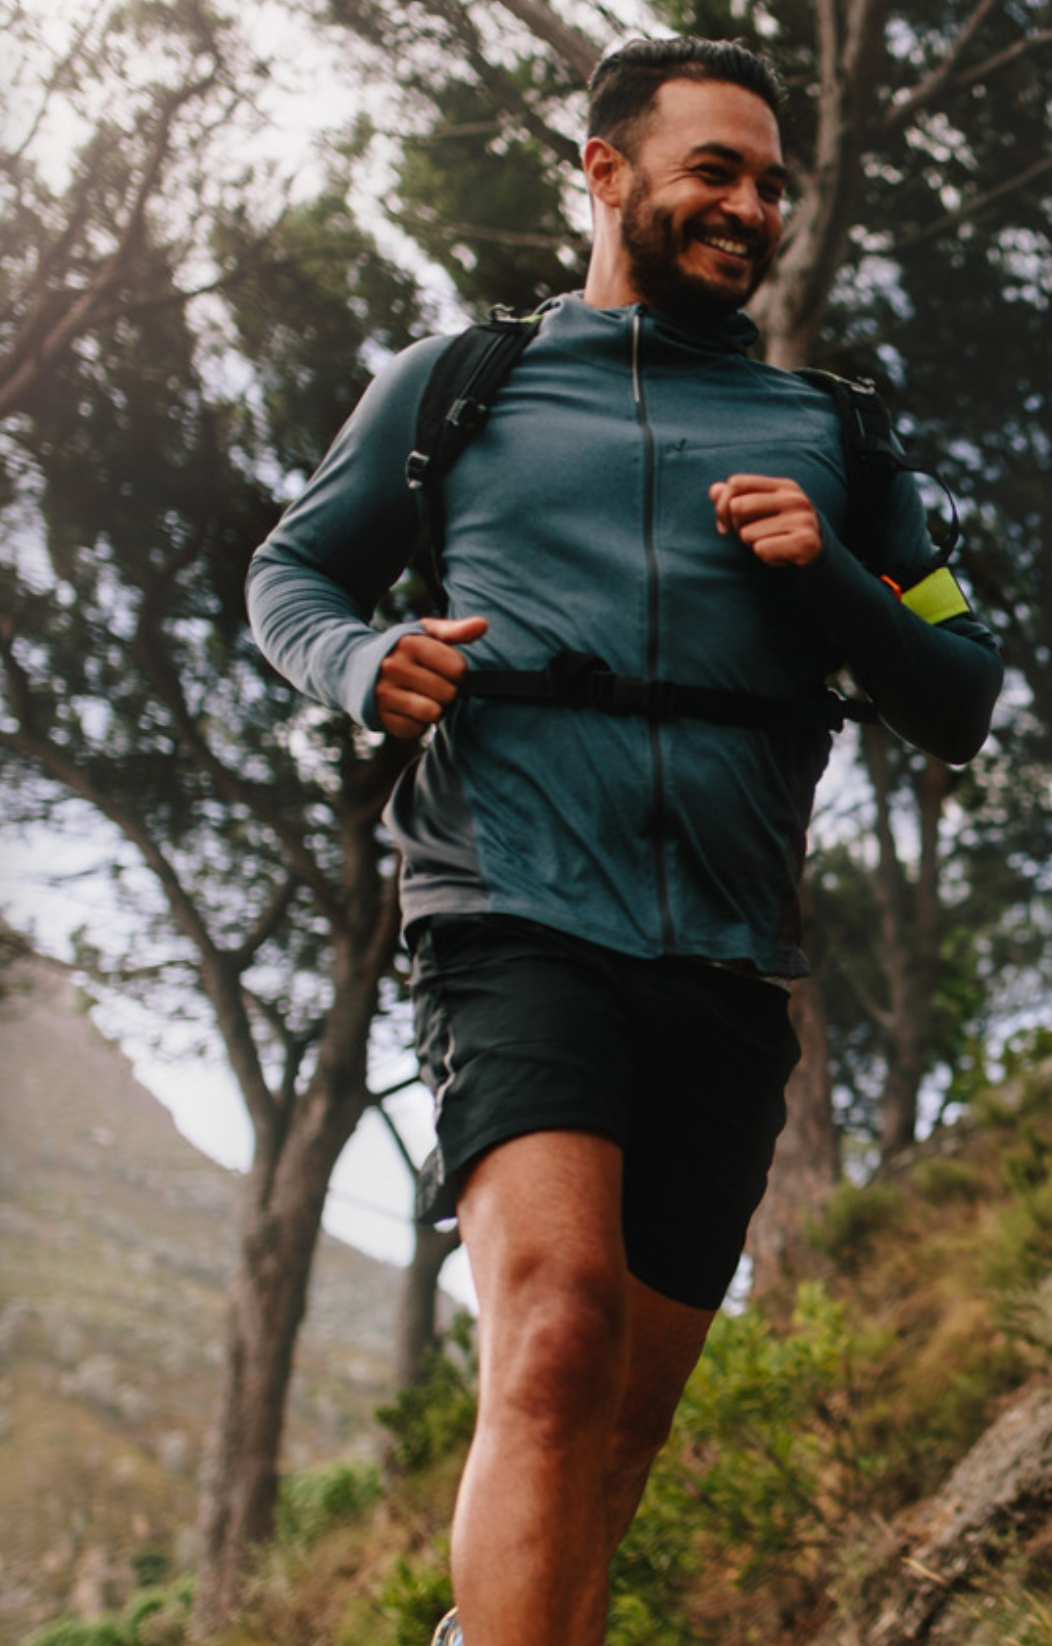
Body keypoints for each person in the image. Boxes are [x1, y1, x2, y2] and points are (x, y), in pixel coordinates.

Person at [246, 36, 1003, 1646]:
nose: (752, 207)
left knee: (617, 1443)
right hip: (511, 907)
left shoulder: (840, 437)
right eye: (715, 170)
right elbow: (291, 574)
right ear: (605, 170)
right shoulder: (462, 386)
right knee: (554, 1341)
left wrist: (834, 573)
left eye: (773, 184)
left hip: (727, 954)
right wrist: (361, 661)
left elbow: (961, 689)